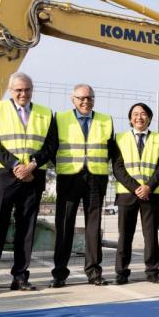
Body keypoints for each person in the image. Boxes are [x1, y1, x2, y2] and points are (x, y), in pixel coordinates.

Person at [0, 72, 57, 295]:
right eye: (18, 90)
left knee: (27, 230)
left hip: (32, 178)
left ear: (32, 90)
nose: (23, 94)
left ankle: (20, 276)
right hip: (4, 177)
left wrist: (32, 165)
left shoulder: (45, 113)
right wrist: (15, 165)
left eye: (27, 89)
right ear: (10, 91)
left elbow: (51, 146)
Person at [52, 84, 115, 287]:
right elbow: (52, 147)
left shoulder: (106, 120)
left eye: (89, 98)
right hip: (69, 177)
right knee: (64, 226)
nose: (85, 101)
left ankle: (94, 272)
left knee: (93, 227)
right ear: (73, 99)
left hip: (96, 178)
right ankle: (60, 273)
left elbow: (111, 150)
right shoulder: (60, 119)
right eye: (81, 98)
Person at [111, 103, 159, 284]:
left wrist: (148, 187)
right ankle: (121, 272)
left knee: (150, 235)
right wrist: (136, 187)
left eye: (143, 114)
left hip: (150, 194)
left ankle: (152, 271)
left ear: (149, 118)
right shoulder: (119, 138)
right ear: (130, 119)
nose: (139, 117)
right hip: (128, 194)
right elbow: (117, 168)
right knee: (125, 235)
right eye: (135, 114)